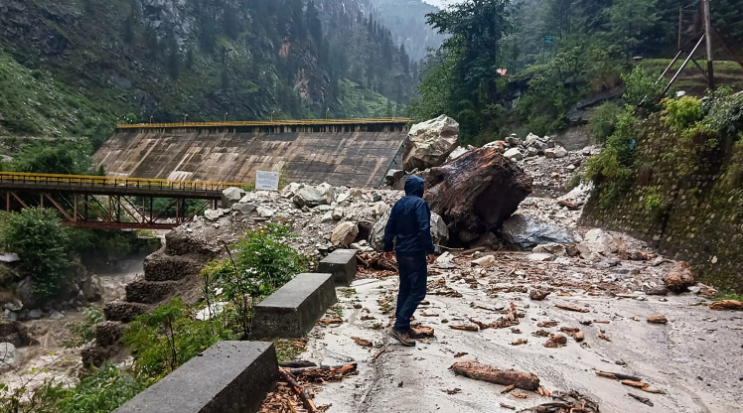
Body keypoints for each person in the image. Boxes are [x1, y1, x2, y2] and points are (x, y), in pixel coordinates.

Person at [383, 175, 435, 347]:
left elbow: (390, 226)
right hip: (415, 252)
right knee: (418, 291)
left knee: (405, 288)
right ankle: (399, 326)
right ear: (419, 188)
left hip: (401, 252)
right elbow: (424, 228)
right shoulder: (420, 204)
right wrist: (430, 250)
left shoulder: (399, 204)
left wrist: (387, 247)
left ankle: (403, 325)